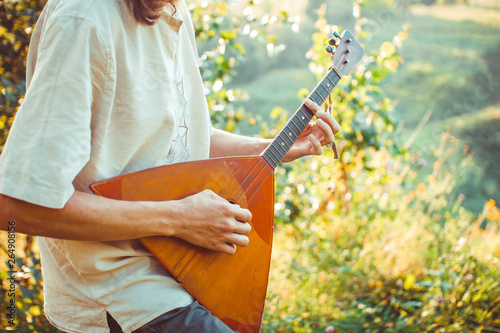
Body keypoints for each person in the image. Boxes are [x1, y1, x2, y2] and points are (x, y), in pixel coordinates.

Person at [0, 0, 340, 332]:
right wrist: (181, 218)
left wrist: (272, 147)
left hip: (186, 268)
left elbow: (181, 136)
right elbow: (17, 206)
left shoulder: (173, 9)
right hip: (123, 287)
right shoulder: (83, 18)